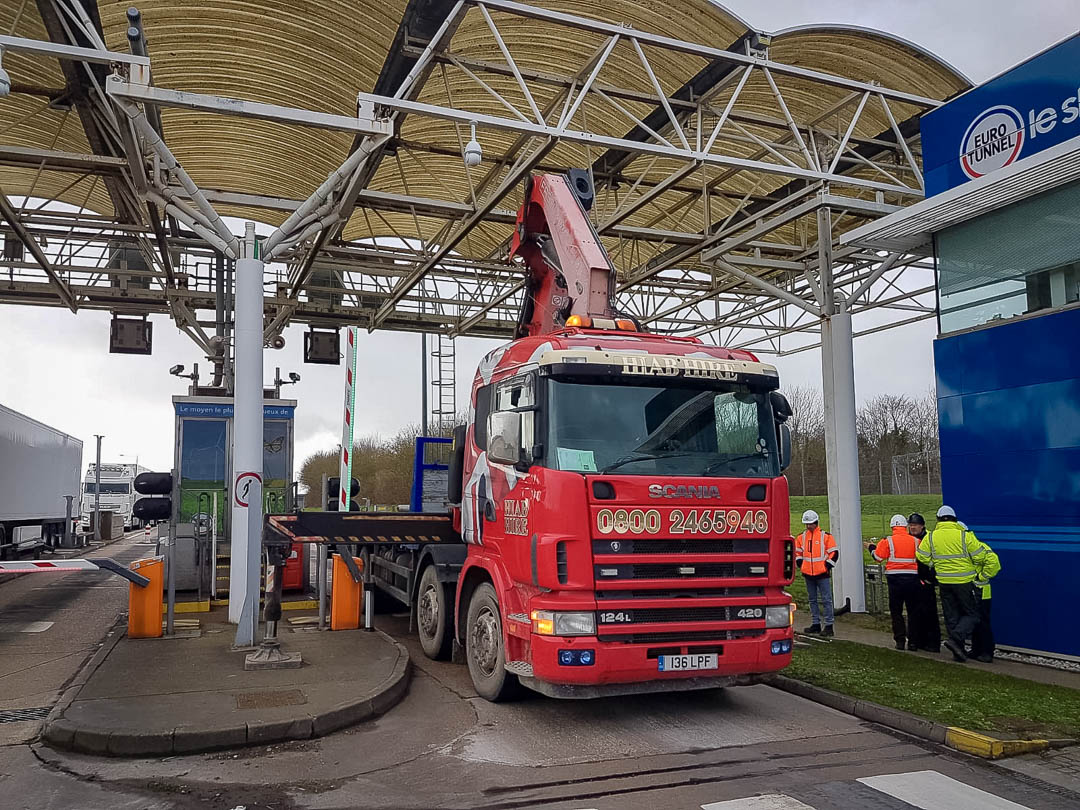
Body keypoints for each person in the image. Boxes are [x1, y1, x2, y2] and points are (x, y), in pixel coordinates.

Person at [916, 505, 994, 662]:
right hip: (964, 581)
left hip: (944, 581)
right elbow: (979, 556)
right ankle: (956, 639)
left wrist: (936, 563)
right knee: (972, 614)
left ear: (938, 519)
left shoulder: (932, 537)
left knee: (951, 615)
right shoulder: (964, 536)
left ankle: (957, 651)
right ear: (954, 519)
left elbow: (921, 556)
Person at [869, 515, 920, 651]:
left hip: (894, 579)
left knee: (896, 611)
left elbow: (878, 557)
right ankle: (914, 642)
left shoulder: (887, 541)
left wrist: (871, 548)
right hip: (912, 579)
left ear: (892, 527)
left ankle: (900, 640)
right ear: (906, 526)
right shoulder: (915, 541)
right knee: (913, 611)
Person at [795, 509, 838, 637]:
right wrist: (800, 563)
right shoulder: (801, 537)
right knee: (812, 600)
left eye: (811, 524)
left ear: (816, 523)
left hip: (822, 573)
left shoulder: (826, 536)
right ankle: (816, 624)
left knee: (826, 600)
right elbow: (798, 553)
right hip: (808, 573)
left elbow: (834, 552)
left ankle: (829, 625)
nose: (809, 526)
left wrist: (827, 566)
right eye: (807, 524)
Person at [907, 513, 941, 653]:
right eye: (911, 525)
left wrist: (930, 579)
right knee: (914, 612)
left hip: (926, 581)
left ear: (922, 526)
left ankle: (932, 643)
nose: (912, 527)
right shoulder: (909, 539)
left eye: (915, 525)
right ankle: (917, 640)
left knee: (929, 613)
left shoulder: (929, 539)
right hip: (912, 581)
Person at [969, 544, 1002, 663]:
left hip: (981, 591)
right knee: (974, 623)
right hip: (971, 591)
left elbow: (994, 564)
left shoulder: (978, 547)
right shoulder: (965, 546)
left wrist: (981, 577)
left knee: (982, 623)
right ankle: (976, 650)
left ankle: (987, 652)